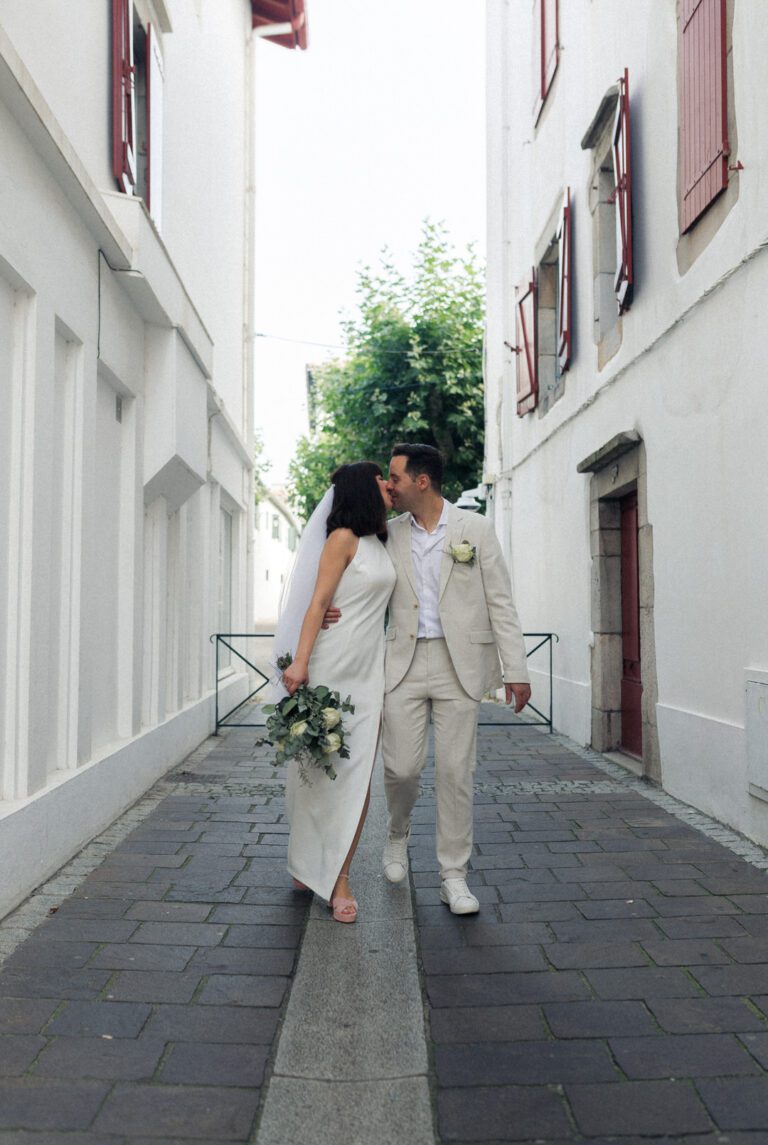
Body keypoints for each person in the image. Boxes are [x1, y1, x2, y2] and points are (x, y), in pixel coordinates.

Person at [325, 443, 531, 915]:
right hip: (401, 663)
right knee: (401, 769)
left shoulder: (475, 530)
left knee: (457, 773)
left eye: (395, 477)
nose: (389, 486)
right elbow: (352, 574)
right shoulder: (386, 534)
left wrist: (515, 670)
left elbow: (501, 602)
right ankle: (396, 833)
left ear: (422, 481)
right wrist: (328, 610)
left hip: (461, 665)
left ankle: (453, 876)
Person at [274, 462, 396, 923]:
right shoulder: (341, 538)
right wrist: (301, 662)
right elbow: (318, 603)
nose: (388, 484)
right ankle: (306, 864)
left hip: (369, 674)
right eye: (381, 479)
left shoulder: (383, 540)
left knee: (358, 777)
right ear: (363, 489)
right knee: (316, 772)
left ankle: (339, 877)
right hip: (331, 667)